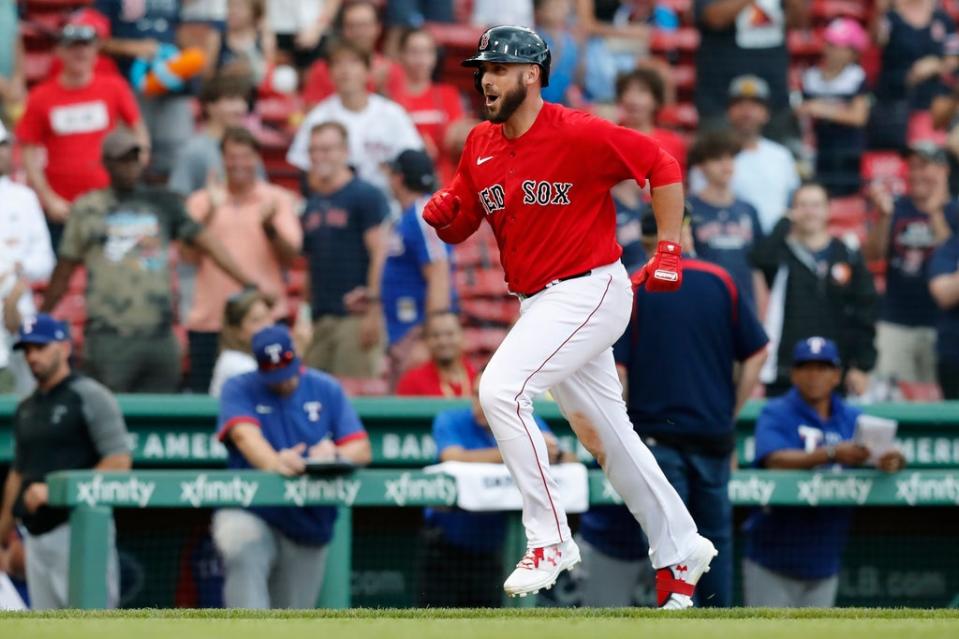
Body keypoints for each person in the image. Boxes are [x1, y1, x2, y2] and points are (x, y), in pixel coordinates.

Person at [420, 25, 715, 608]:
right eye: (482, 70)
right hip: (540, 300)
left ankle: (549, 539)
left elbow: (661, 164)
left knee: (501, 389)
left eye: (499, 69)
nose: (486, 79)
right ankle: (682, 548)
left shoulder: (576, 130)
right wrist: (443, 216)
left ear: (532, 74)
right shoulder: (480, 142)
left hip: (590, 290)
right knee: (609, 438)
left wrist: (669, 247)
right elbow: (462, 223)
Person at [572, 213, 767, 608]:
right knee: (714, 540)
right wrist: (729, 411)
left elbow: (619, 373)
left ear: (645, 243)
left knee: (671, 541)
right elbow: (758, 352)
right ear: (685, 234)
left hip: (656, 436)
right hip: (712, 434)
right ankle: (717, 627)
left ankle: (680, 620)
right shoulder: (721, 281)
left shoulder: (634, 289)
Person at [40, 127, 261, 393]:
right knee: (109, 414)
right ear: (107, 164)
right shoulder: (88, 208)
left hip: (159, 336)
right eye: (121, 160)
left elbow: (208, 243)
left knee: (160, 418)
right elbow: (65, 268)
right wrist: (43, 315)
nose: (129, 167)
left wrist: (248, 283)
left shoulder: (162, 203)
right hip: (109, 336)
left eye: (134, 159)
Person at [213, 324, 372, 609]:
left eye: (286, 371)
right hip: (252, 506)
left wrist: (333, 452)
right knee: (240, 544)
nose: (283, 382)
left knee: (294, 617)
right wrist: (275, 461)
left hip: (307, 519)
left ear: (296, 354)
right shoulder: (239, 387)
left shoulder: (325, 388)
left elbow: (361, 449)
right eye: (274, 375)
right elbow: (243, 435)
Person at [743, 337, 906, 608]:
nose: (814, 375)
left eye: (823, 368)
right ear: (794, 373)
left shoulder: (851, 416)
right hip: (773, 555)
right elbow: (773, 458)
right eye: (807, 367)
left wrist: (893, 460)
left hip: (825, 557)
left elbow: (886, 452)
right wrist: (831, 453)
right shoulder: (777, 412)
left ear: (836, 375)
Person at [0, 314, 131, 609]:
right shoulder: (26, 408)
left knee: (90, 624)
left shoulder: (90, 395)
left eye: (41, 347)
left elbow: (119, 462)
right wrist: (3, 534)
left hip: (80, 529)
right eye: (28, 350)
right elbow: (18, 474)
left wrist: (59, 490)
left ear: (64, 347)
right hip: (35, 536)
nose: (33, 356)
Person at [419, 371, 569, 607]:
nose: (479, 404)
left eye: (486, 397)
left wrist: (555, 453)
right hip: (445, 546)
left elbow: (568, 459)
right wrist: (517, 452)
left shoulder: (521, 421)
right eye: (476, 395)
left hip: (493, 550)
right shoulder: (452, 419)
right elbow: (452, 457)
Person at [184, 127, 302, 393]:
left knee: (275, 394)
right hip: (211, 320)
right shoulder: (202, 201)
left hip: (265, 318)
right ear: (222, 159)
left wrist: (269, 227)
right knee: (208, 403)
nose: (239, 164)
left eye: (245, 156)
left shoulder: (276, 199)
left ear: (257, 159)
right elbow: (186, 256)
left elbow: (291, 256)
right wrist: (210, 214)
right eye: (232, 156)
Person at [15, 17, 147, 248]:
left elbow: (138, 131)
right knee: (61, 271)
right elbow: (28, 154)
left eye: (86, 46)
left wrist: (135, 168)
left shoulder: (114, 87)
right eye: (73, 47)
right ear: (59, 52)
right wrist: (49, 199)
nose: (80, 53)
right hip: (64, 205)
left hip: (109, 200)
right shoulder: (40, 97)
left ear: (96, 51)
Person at [752, 182, 878, 396]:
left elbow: (865, 312)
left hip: (835, 368)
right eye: (802, 205)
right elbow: (758, 258)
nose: (809, 212)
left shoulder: (847, 254)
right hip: (787, 369)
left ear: (829, 209)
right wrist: (784, 221)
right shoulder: (781, 254)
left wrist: (862, 365)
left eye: (816, 205)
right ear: (792, 210)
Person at [300, 121, 389, 378]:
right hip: (321, 318)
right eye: (314, 150)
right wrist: (304, 315)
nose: (319, 157)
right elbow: (309, 264)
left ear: (345, 152)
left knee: (353, 397)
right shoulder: (313, 203)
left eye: (327, 149)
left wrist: (374, 310)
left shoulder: (365, 195)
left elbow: (379, 253)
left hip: (354, 318)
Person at [865, 142, 958, 386]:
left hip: (943, 327)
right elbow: (874, 256)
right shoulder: (897, 207)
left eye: (924, 166)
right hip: (896, 321)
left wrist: (936, 210)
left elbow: (950, 251)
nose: (916, 174)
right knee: (890, 401)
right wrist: (883, 218)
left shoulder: (955, 210)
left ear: (943, 170)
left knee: (940, 409)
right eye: (912, 167)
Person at [288, 39, 423, 196]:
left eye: (353, 62)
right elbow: (306, 174)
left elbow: (414, 162)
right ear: (330, 74)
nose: (345, 70)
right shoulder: (318, 118)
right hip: (337, 205)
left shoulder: (392, 114)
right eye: (338, 64)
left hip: (389, 203)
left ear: (367, 71)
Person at [94, 0, 207, 178]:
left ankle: (172, 202)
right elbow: (95, 41)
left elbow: (191, 32)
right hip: (132, 87)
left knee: (177, 157)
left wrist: (181, 58)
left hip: (173, 86)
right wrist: (132, 48)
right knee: (131, 154)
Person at [691, 75, 800, 234]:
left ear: (766, 113)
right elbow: (700, 203)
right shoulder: (710, 155)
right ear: (728, 112)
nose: (747, 112)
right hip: (727, 239)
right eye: (740, 104)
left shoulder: (781, 156)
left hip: (775, 244)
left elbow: (793, 201)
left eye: (755, 105)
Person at [694, 0, 806, 140]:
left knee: (777, 155)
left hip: (774, 94)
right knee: (717, 155)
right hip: (720, 96)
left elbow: (800, 21)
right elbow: (714, 18)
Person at [383, 149, 453, 372]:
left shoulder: (423, 213)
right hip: (402, 331)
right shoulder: (407, 216)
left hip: (416, 333)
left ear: (399, 177)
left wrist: (428, 338)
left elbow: (439, 272)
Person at [0, 122, 55, 396]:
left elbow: (45, 259)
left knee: (27, 393)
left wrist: (19, 277)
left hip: (21, 308)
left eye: (3, 145)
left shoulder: (25, 198)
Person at [687, 130, 764, 308]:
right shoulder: (687, 208)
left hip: (744, 303)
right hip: (703, 302)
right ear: (700, 166)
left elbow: (756, 267)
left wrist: (760, 312)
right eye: (717, 159)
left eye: (730, 158)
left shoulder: (749, 209)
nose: (726, 166)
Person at [871, 0, 958, 150]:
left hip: (931, 104)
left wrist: (935, 65)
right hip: (894, 102)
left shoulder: (943, 19)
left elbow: (952, 60)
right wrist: (880, 11)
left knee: (928, 153)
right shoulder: (891, 17)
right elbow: (878, 40)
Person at [798, 18, 871, 197]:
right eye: (829, 43)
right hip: (818, 150)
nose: (831, 50)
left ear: (853, 52)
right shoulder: (810, 78)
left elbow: (858, 117)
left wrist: (821, 109)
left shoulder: (856, 77)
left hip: (848, 153)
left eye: (839, 45)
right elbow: (801, 111)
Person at [391, 28, 473, 185]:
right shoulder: (392, 100)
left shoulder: (448, 94)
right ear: (401, 56)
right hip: (406, 185)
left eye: (427, 52)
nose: (421, 59)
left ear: (435, 57)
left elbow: (458, 138)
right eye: (414, 51)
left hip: (446, 183)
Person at [302, 1, 405, 106]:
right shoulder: (323, 69)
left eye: (364, 25)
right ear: (343, 30)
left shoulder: (391, 70)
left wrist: (381, 89)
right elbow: (313, 113)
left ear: (378, 28)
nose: (359, 32)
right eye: (352, 26)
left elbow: (399, 115)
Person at [168, 75, 252, 197]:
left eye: (243, 100)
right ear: (209, 106)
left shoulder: (248, 146)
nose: (240, 107)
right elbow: (178, 198)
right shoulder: (194, 150)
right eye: (231, 99)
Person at [616, 68, 687, 177]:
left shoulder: (673, 143)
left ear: (656, 101)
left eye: (642, 91)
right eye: (627, 90)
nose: (633, 98)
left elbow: (677, 185)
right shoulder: (610, 137)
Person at [209, 289, 275, 397]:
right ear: (237, 331)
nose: (267, 326)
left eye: (268, 316)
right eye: (257, 320)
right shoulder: (236, 363)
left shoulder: (256, 357)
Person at [396, 310, 477, 397]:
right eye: (435, 335)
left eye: (450, 334)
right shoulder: (411, 381)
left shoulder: (478, 377)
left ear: (462, 336)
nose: (443, 342)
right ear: (426, 341)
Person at [216, 0, 275, 88]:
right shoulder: (218, 37)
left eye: (239, 7)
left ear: (253, 12)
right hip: (223, 93)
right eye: (230, 6)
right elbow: (207, 77)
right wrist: (228, 72)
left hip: (254, 94)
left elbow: (269, 76)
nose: (232, 11)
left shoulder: (264, 39)